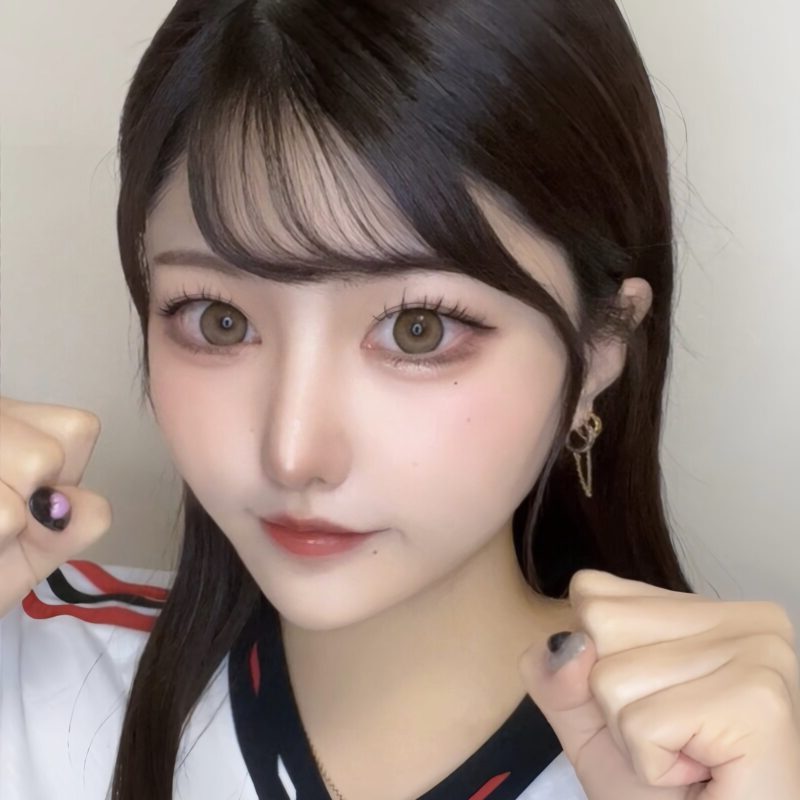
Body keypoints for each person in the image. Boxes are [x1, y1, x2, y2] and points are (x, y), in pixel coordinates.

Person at [0, 1, 798, 799]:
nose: (293, 453)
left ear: (599, 349)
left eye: (419, 330)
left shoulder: (736, 766)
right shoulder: (35, 674)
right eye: (219, 319)